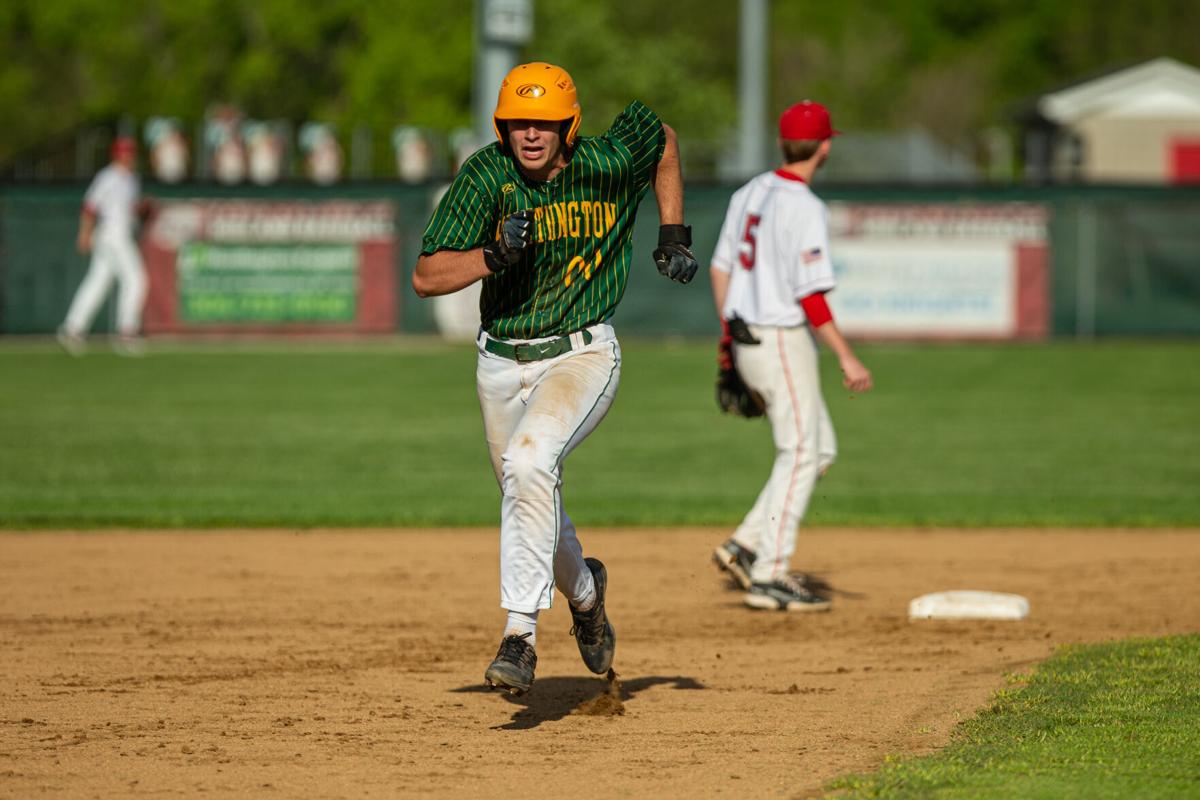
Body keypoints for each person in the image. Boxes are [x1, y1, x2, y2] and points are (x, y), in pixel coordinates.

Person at [412, 62, 698, 694]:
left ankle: (519, 636)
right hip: (499, 363)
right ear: (502, 126)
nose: (531, 135)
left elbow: (665, 139)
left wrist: (673, 232)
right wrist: (491, 255)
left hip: (582, 352)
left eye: (544, 123)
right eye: (519, 122)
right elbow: (427, 276)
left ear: (569, 126)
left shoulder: (606, 161)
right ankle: (587, 597)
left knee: (529, 462)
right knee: (529, 487)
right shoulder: (488, 174)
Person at [709, 101, 873, 612]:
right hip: (780, 338)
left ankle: (746, 544)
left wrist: (728, 335)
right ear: (825, 146)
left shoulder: (749, 191)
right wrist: (848, 357)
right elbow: (812, 297)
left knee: (817, 448)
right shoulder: (804, 206)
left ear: (783, 144)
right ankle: (769, 575)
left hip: (747, 335)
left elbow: (720, 269)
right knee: (802, 451)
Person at [58, 136, 150, 356]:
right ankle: (127, 330)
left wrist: (141, 209)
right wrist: (84, 233)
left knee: (98, 282)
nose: (128, 156)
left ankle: (73, 328)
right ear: (116, 154)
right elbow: (90, 206)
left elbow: (129, 210)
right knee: (136, 279)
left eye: (130, 152)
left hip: (120, 233)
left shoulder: (131, 179)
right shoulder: (107, 177)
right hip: (111, 234)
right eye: (124, 152)